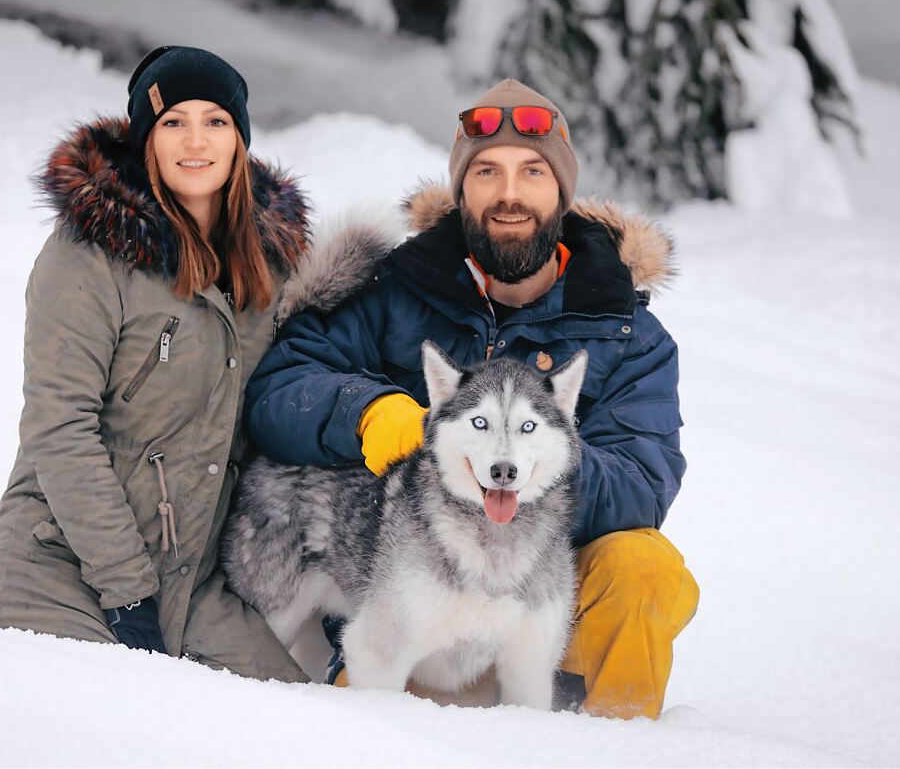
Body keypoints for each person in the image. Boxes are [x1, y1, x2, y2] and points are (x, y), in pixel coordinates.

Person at [245, 79, 699, 717]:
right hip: (416, 592)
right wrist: (371, 414)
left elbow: (643, 483)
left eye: (531, 172)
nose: (509, 194)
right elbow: (280, 386)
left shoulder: (625, 330)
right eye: (486, 172)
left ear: (562, 194)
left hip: (544, 595)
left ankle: (610, 737)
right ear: (461, 192)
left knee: (643, 565)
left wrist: (535, 463)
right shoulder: (397, 289)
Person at [0, 46, 311, 682]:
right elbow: (59, 429)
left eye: (215, 122)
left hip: (192, 585)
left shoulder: (273, 265)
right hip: (64, 569)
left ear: (240, 139)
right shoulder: (90, 254)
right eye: (172, 123)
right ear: (145, 139)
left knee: (299, 727)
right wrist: (127, 591)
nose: (196, 142)